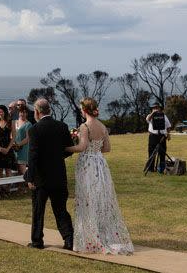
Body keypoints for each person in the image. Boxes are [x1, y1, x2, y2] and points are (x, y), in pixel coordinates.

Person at [66, 97, 134, 255]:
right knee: (100, 199)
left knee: (88, 199)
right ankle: (103, 234)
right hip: (100, 164)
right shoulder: (102, 126)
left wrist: (67, 147)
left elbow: (82, 147)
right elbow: (107, 148)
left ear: (83, 110)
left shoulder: (85, 126)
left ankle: (91, 237)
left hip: (87, 165)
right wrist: (94, 149)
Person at [24, 98, 74, 250]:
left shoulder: (34, 130)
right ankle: (69, 240)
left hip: (41, 178)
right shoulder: (62, 126)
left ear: (37, 112)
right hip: (59, 175)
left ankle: (37, 241)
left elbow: (33, 156)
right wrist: (56, 159)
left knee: (38, 211)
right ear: (49, 110)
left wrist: (30, 177)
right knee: (61, 209)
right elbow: (68, 149)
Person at [0, 105, 16, 179]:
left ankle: (8, 189)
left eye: (1, 112)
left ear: (5, 112)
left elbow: (14, 136)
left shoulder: (11, 122)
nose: (0, 113)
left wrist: (8, 149)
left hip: (8, 147)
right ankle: (1, 188)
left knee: (8, 169)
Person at [145, 103, 171, 173]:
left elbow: (168, 126)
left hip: (162, 136)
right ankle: (151, 169)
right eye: (154, 108)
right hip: (153, 136)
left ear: (160, 108)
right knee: (152, 152)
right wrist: (153, 113)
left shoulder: (164, 116)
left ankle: (162, 169)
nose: (155, 109)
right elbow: (147, 119)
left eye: (157, 107)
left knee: (162, 152)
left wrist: (168, 134)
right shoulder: (150, 116)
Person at [13, 108, 32, 176]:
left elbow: (27, 138)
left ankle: (29, 183)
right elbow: (11, 134)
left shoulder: (28, 124)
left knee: (22, 169)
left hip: (23, 149)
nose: (22, 114)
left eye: (24, 112)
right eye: (21, 112)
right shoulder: (14, 122)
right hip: (14, 148)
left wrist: (18, 144)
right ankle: (20, 186)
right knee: (17, 170)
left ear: (27, 114)